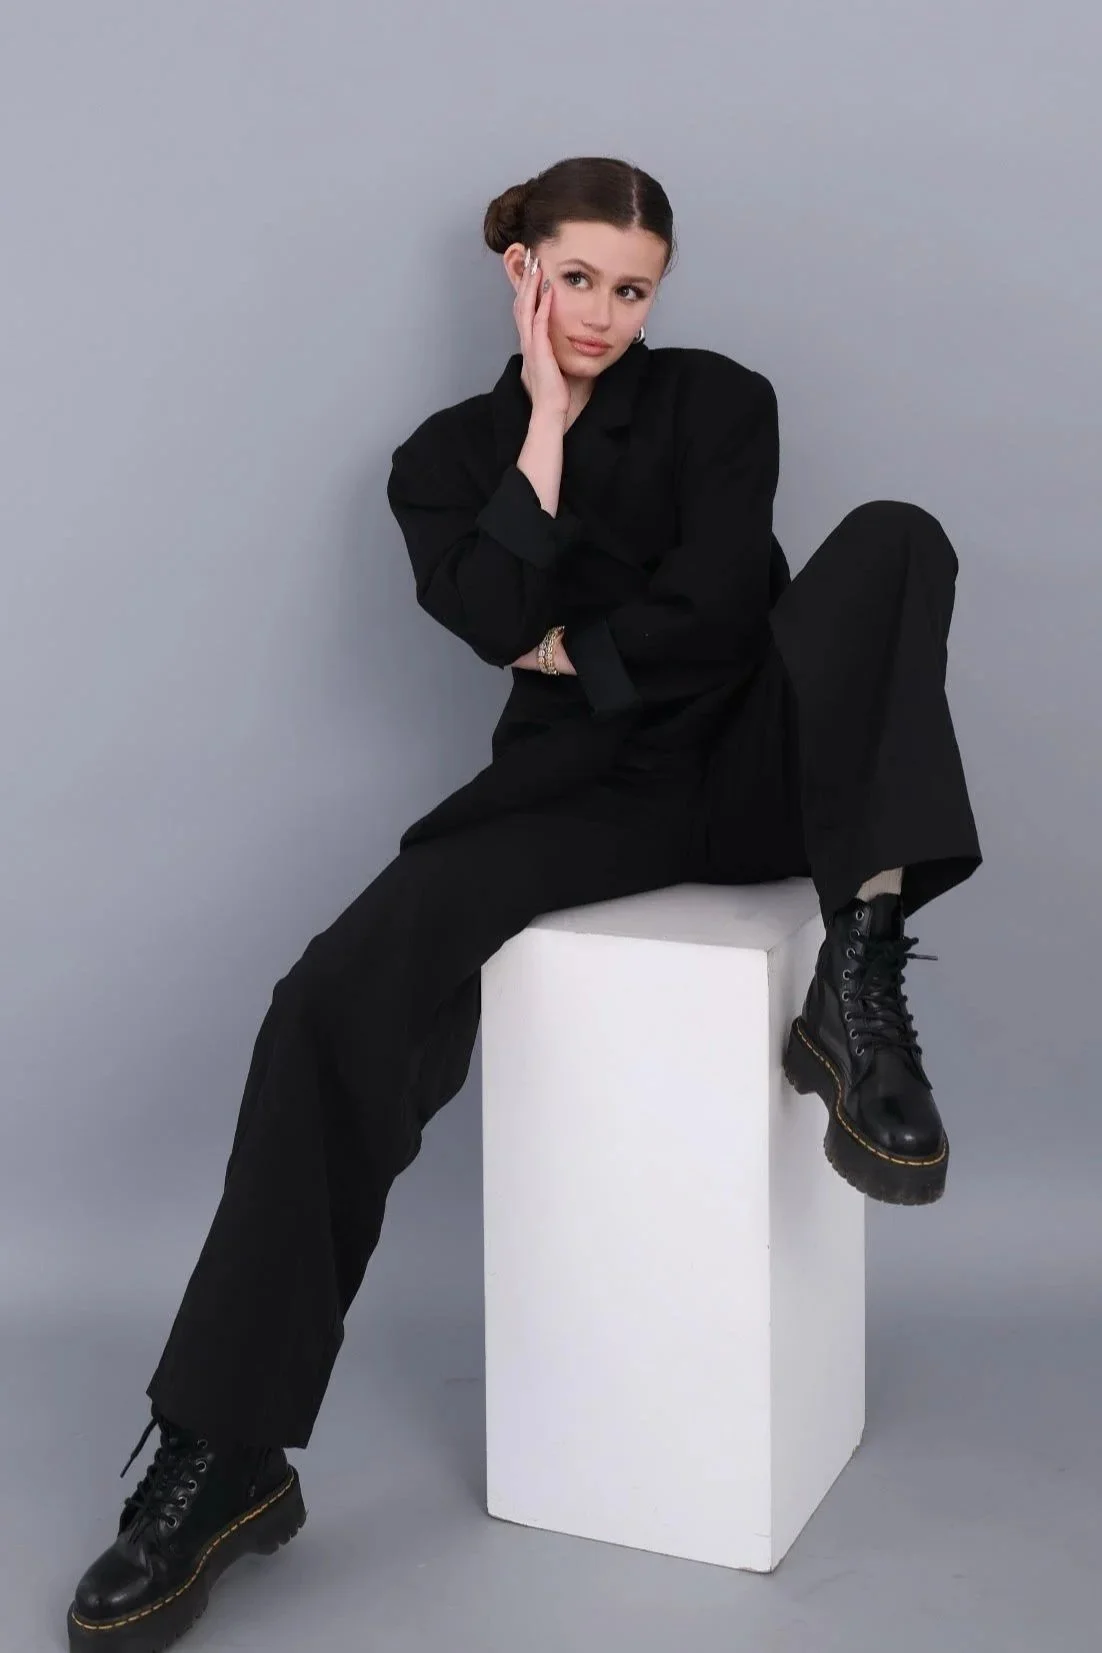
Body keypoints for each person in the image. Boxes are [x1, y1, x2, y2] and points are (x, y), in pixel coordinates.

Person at [66, 154, 982, 1651]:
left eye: (633, 289)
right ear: (521, 270)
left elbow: (728, 616)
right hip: (575, 797)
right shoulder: (444, 457)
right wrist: (545, 434)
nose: (606, 314)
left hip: (758, 762)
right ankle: (222, 1455)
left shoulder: (720, 402)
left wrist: (577, 647)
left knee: (890, 536)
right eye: (578, 280)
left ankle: (857, 988)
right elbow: (490, 619)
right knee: (326, 1003)